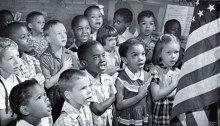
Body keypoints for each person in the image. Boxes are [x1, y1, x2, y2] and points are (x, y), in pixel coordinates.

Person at [40, 20, 79, 121]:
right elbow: (48, 84)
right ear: (48, 39)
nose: (63, 36)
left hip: (70, 94)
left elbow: (77, 78)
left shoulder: (70, 54)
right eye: (58, 33)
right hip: (53, 97)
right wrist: (64, 68)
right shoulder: (44, 57)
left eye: (64, 33)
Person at [77, 40, 116, 126]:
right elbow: (97, 109)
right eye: (96, 57)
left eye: (103, 55)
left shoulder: (108, 79)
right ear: (84, 63)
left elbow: (113, 109)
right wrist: (114, 97)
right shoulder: (83, 82)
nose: (102, 60)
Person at [115, 38, 152, 126]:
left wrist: (150, 119)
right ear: (125, 60)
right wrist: (139, 96)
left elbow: (149, 101)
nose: (141, 58)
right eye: (135, 55)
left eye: (143, 54)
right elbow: (119, 105)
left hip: (142, 118)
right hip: (127, 119)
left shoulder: (147, 76)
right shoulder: (121, 80)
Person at [0, 22, 45, 86]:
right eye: (23, 37)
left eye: (28, 35)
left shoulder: (32, 59)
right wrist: (39, 76)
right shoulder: (11, 66)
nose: (29, 39)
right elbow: (24, 87)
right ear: (10, 42)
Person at [150, 34, 181, 126]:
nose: (173, 56)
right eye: (168, 52)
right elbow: (156, 95)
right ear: (159, 53)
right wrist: (174, 84)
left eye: (176, 52)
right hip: (160, 114)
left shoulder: (178, 72)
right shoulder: (155, 71)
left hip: (175, 114)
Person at [0, 38, 25, 126]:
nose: (17, 62)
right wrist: (27, 110)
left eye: (17, 56)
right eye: (10, 58)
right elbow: (2, 120)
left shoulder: (21, 80)